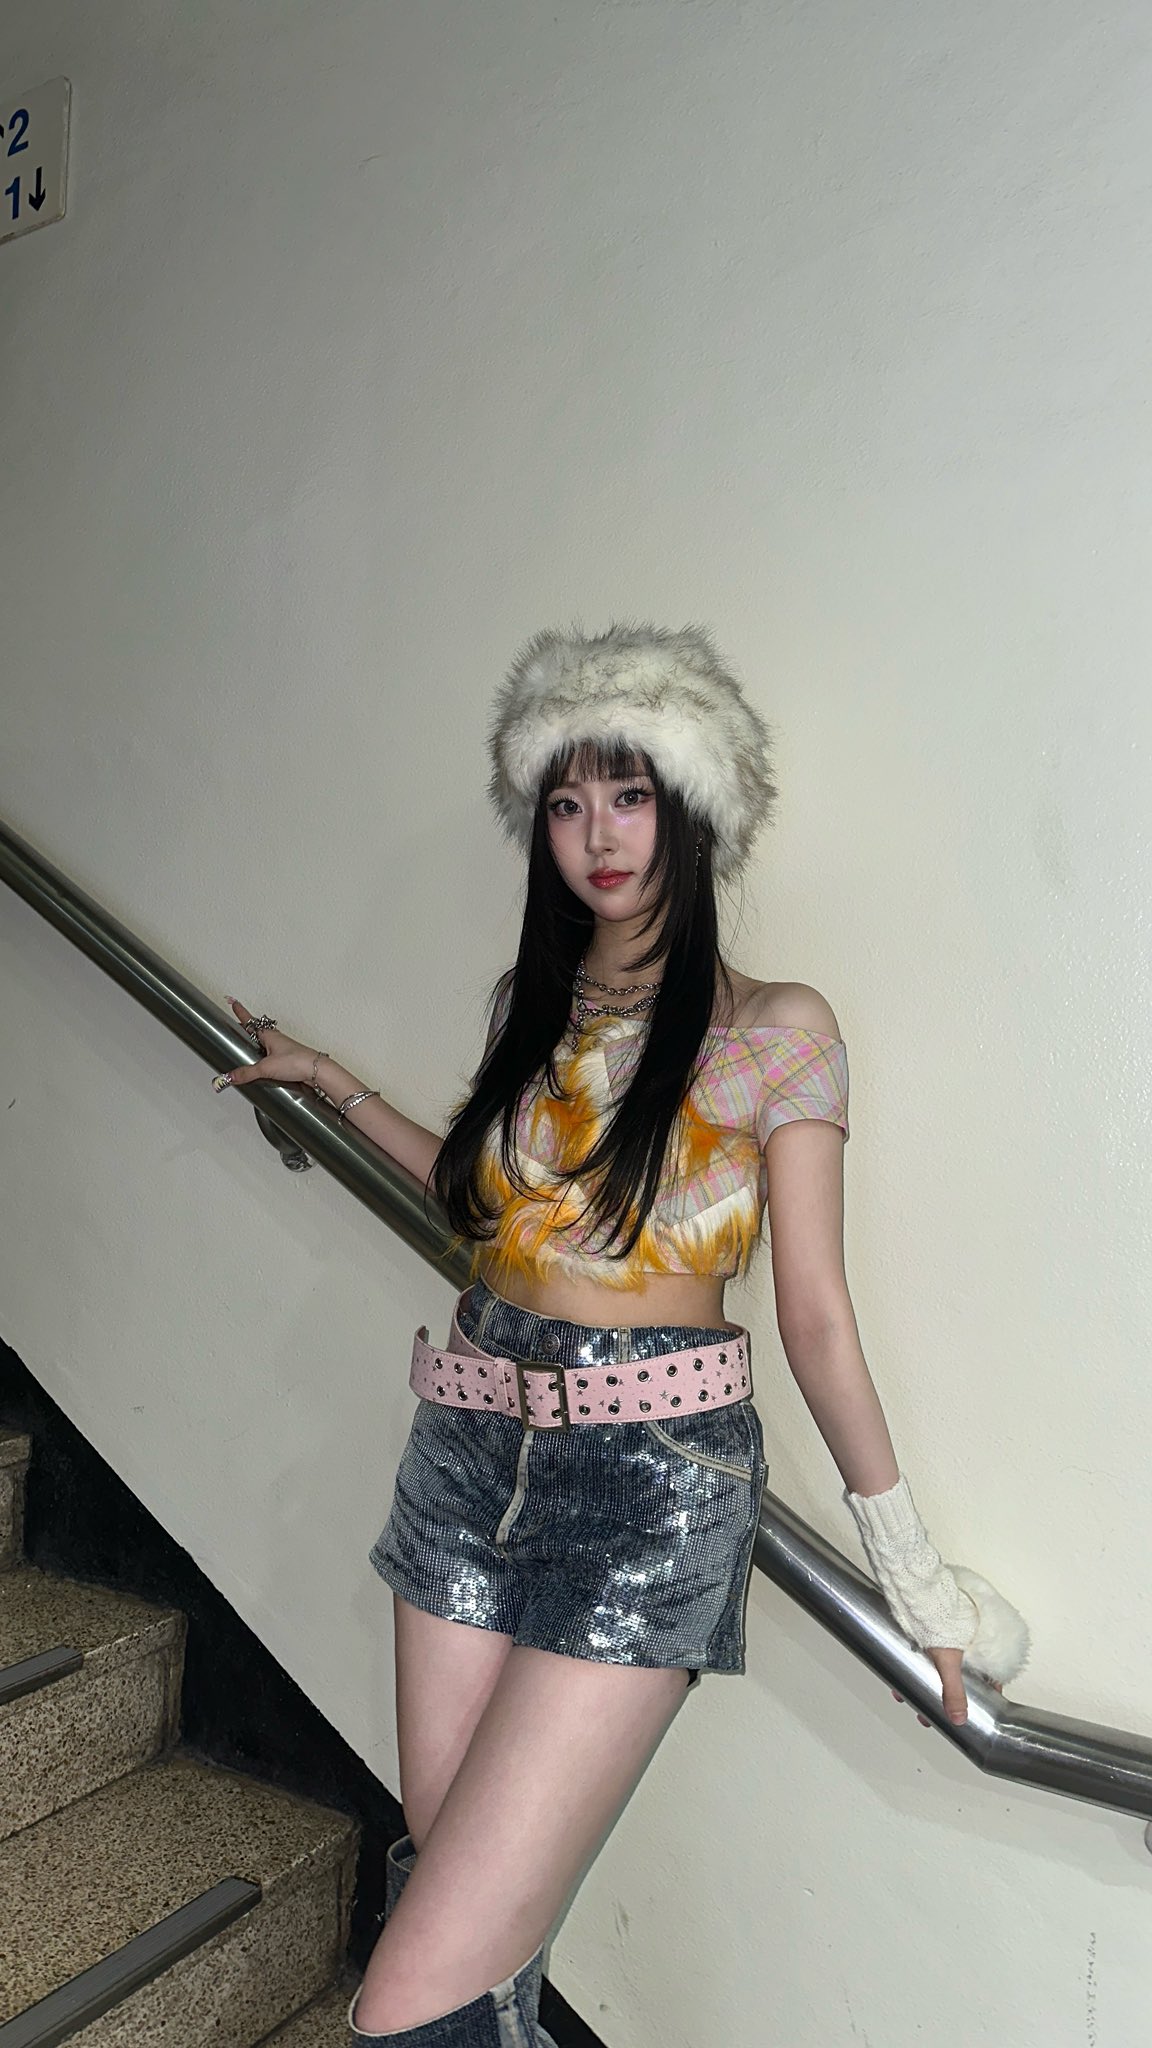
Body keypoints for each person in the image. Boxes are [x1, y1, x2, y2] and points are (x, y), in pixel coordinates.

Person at [215, 623, 1030, 2047]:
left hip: (652, 1479)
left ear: (692, 808)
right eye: (567, 801)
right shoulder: (536, 1003)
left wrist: (916, 1581)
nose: (598, 834)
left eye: (631, 795)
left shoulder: (779, 1028)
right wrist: (332, 1084)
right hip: (464, 1450)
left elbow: (815, 1312)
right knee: (465, 1914)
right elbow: (489, 1211)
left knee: (408, 1994)